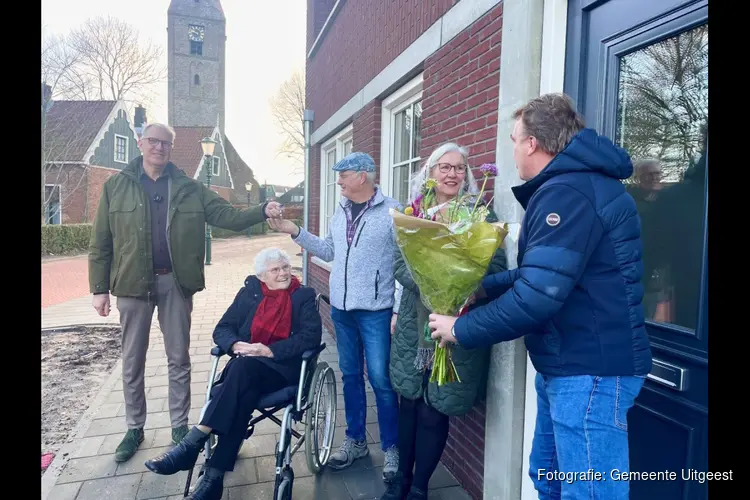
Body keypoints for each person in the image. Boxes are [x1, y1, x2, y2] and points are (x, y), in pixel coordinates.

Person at [428, 93, 652, 500]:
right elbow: (544, 277)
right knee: (548, 478)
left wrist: (461, 329)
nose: (512, 149)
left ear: (532, 143)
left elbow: (539, 297)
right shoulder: (571, 187)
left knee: (589, 493)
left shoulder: (568, 194)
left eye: (515, 139)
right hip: (569, 366)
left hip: (590, 372)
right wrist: (482, 289)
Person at [88, 123, 282, 463]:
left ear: (171, 148)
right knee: (132, 360)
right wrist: (99, 290)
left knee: (179, 357)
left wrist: (261, 210)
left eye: (165, 143)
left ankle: (179, 426)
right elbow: (100, 242)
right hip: (132, 285)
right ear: (140, 143)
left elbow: (226, 216)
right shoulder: (115, 187)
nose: (159, 148)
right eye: (153, 141)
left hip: (174, 283)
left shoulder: (189, 188)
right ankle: (134, 428)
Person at [143, 248, 322, 500]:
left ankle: (193, 443)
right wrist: (237, 345)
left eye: (285, 268)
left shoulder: (303, 296)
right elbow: (223, 328)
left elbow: (311, 336)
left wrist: (269, 350)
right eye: (275, 270)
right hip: (246, 374)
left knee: (240, 369)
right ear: (262, 276)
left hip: (283, 368)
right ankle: (213, 479)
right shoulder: (250, 293)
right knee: (243, 394)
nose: (283, 273)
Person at [382, 143, 508, 500]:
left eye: (459, 168)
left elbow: (496, 267)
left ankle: (420, 488)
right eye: (444, 167)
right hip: (418, 330)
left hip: (454, 329)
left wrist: (463, 291)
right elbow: (398, 264)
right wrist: (431, 286)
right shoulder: (414, 213)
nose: (452, 174)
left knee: (435, 411)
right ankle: (400, 484)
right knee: (410, 403)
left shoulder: (480, 214)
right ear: (430, 173)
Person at [267, 152, 402, 481]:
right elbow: (328, 250)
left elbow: (405, 262)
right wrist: (293, 230)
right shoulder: (340, 210)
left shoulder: (392, 211)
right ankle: (355, 441)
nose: (338, 181)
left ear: (363, 176)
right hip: (341, 310)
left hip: (376, 311)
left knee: (382, 380)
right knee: (351, 376)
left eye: (343, 175)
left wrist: (397, 307)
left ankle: (392, 448)